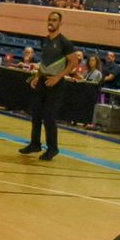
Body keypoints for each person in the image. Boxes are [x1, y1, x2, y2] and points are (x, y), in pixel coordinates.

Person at [19, 11, 81, 161]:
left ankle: (53, 149)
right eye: (49, 19)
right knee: (36, 114)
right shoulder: (44, 41)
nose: (51, 22)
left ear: (60, 23)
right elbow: (44, 61)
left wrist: (58, 77)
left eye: (54, 20)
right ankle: (35, 144)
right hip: (43, 81)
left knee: (49, 117)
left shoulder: (64, 43)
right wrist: (38, 76)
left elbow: (74, 62)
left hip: (56, 84)